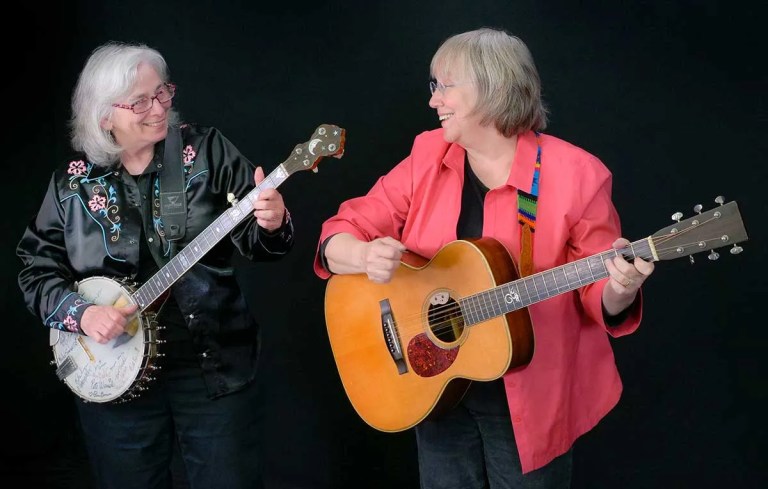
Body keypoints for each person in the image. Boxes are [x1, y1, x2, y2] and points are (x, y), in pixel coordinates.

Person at [314, 27, 654, 488]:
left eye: (445, 86)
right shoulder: (428, 154)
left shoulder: (578, 175)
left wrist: (621, 286)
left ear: (493, 88)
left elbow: (601, 299)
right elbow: (338, 235)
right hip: (433, 382)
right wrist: (361, 253)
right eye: (433, 87)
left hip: (531, 398)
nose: (434, 101)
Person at [17, 41, 294, 488]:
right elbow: (35, 268)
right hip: (110, 374)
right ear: (104, 115)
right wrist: (82, 313)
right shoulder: (71, 186)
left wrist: (272, 222)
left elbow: (261, 244)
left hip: (211, 366)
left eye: (162, 92)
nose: (159, 108)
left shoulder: (209, 152)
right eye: (141, 101)